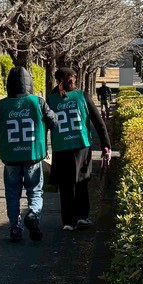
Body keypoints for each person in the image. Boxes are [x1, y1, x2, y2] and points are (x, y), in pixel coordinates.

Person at [0, 66, 58, 243]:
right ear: (30, 83)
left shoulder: (2, 105)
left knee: (12, 193)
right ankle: (33, 214)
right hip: (33, 155)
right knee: (35, 191)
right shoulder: (38, 102)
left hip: (11, 157)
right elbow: (53, 121)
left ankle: (15, 228)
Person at [46, 68, 111, 231]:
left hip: (61, 146)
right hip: (81, 144)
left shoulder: (51, 99)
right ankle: (82, 217)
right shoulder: (82, 96)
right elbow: (98, 122)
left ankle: (68, 221)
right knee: (82, 181)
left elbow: (44, 125)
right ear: (74, 80)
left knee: (65, 186)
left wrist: (43, 147)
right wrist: (106, 144)